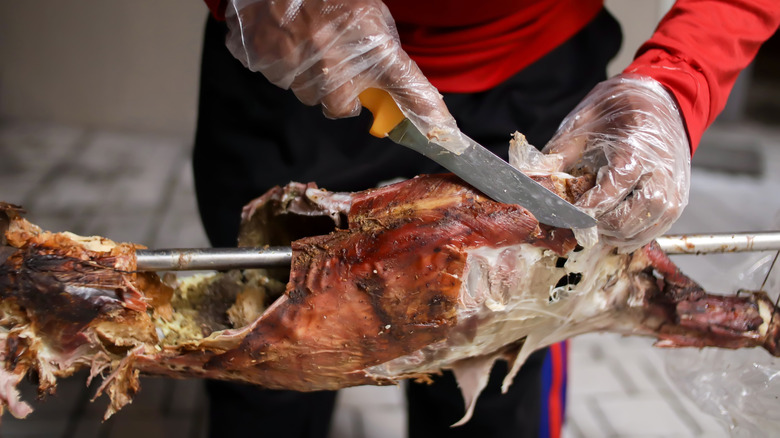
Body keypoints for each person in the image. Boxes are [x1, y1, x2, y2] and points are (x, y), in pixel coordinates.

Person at [193, 1, 779, 437]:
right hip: (300, 55)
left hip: (534, 71)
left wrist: (679, 80)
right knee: (265, 342)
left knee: (501, 374)